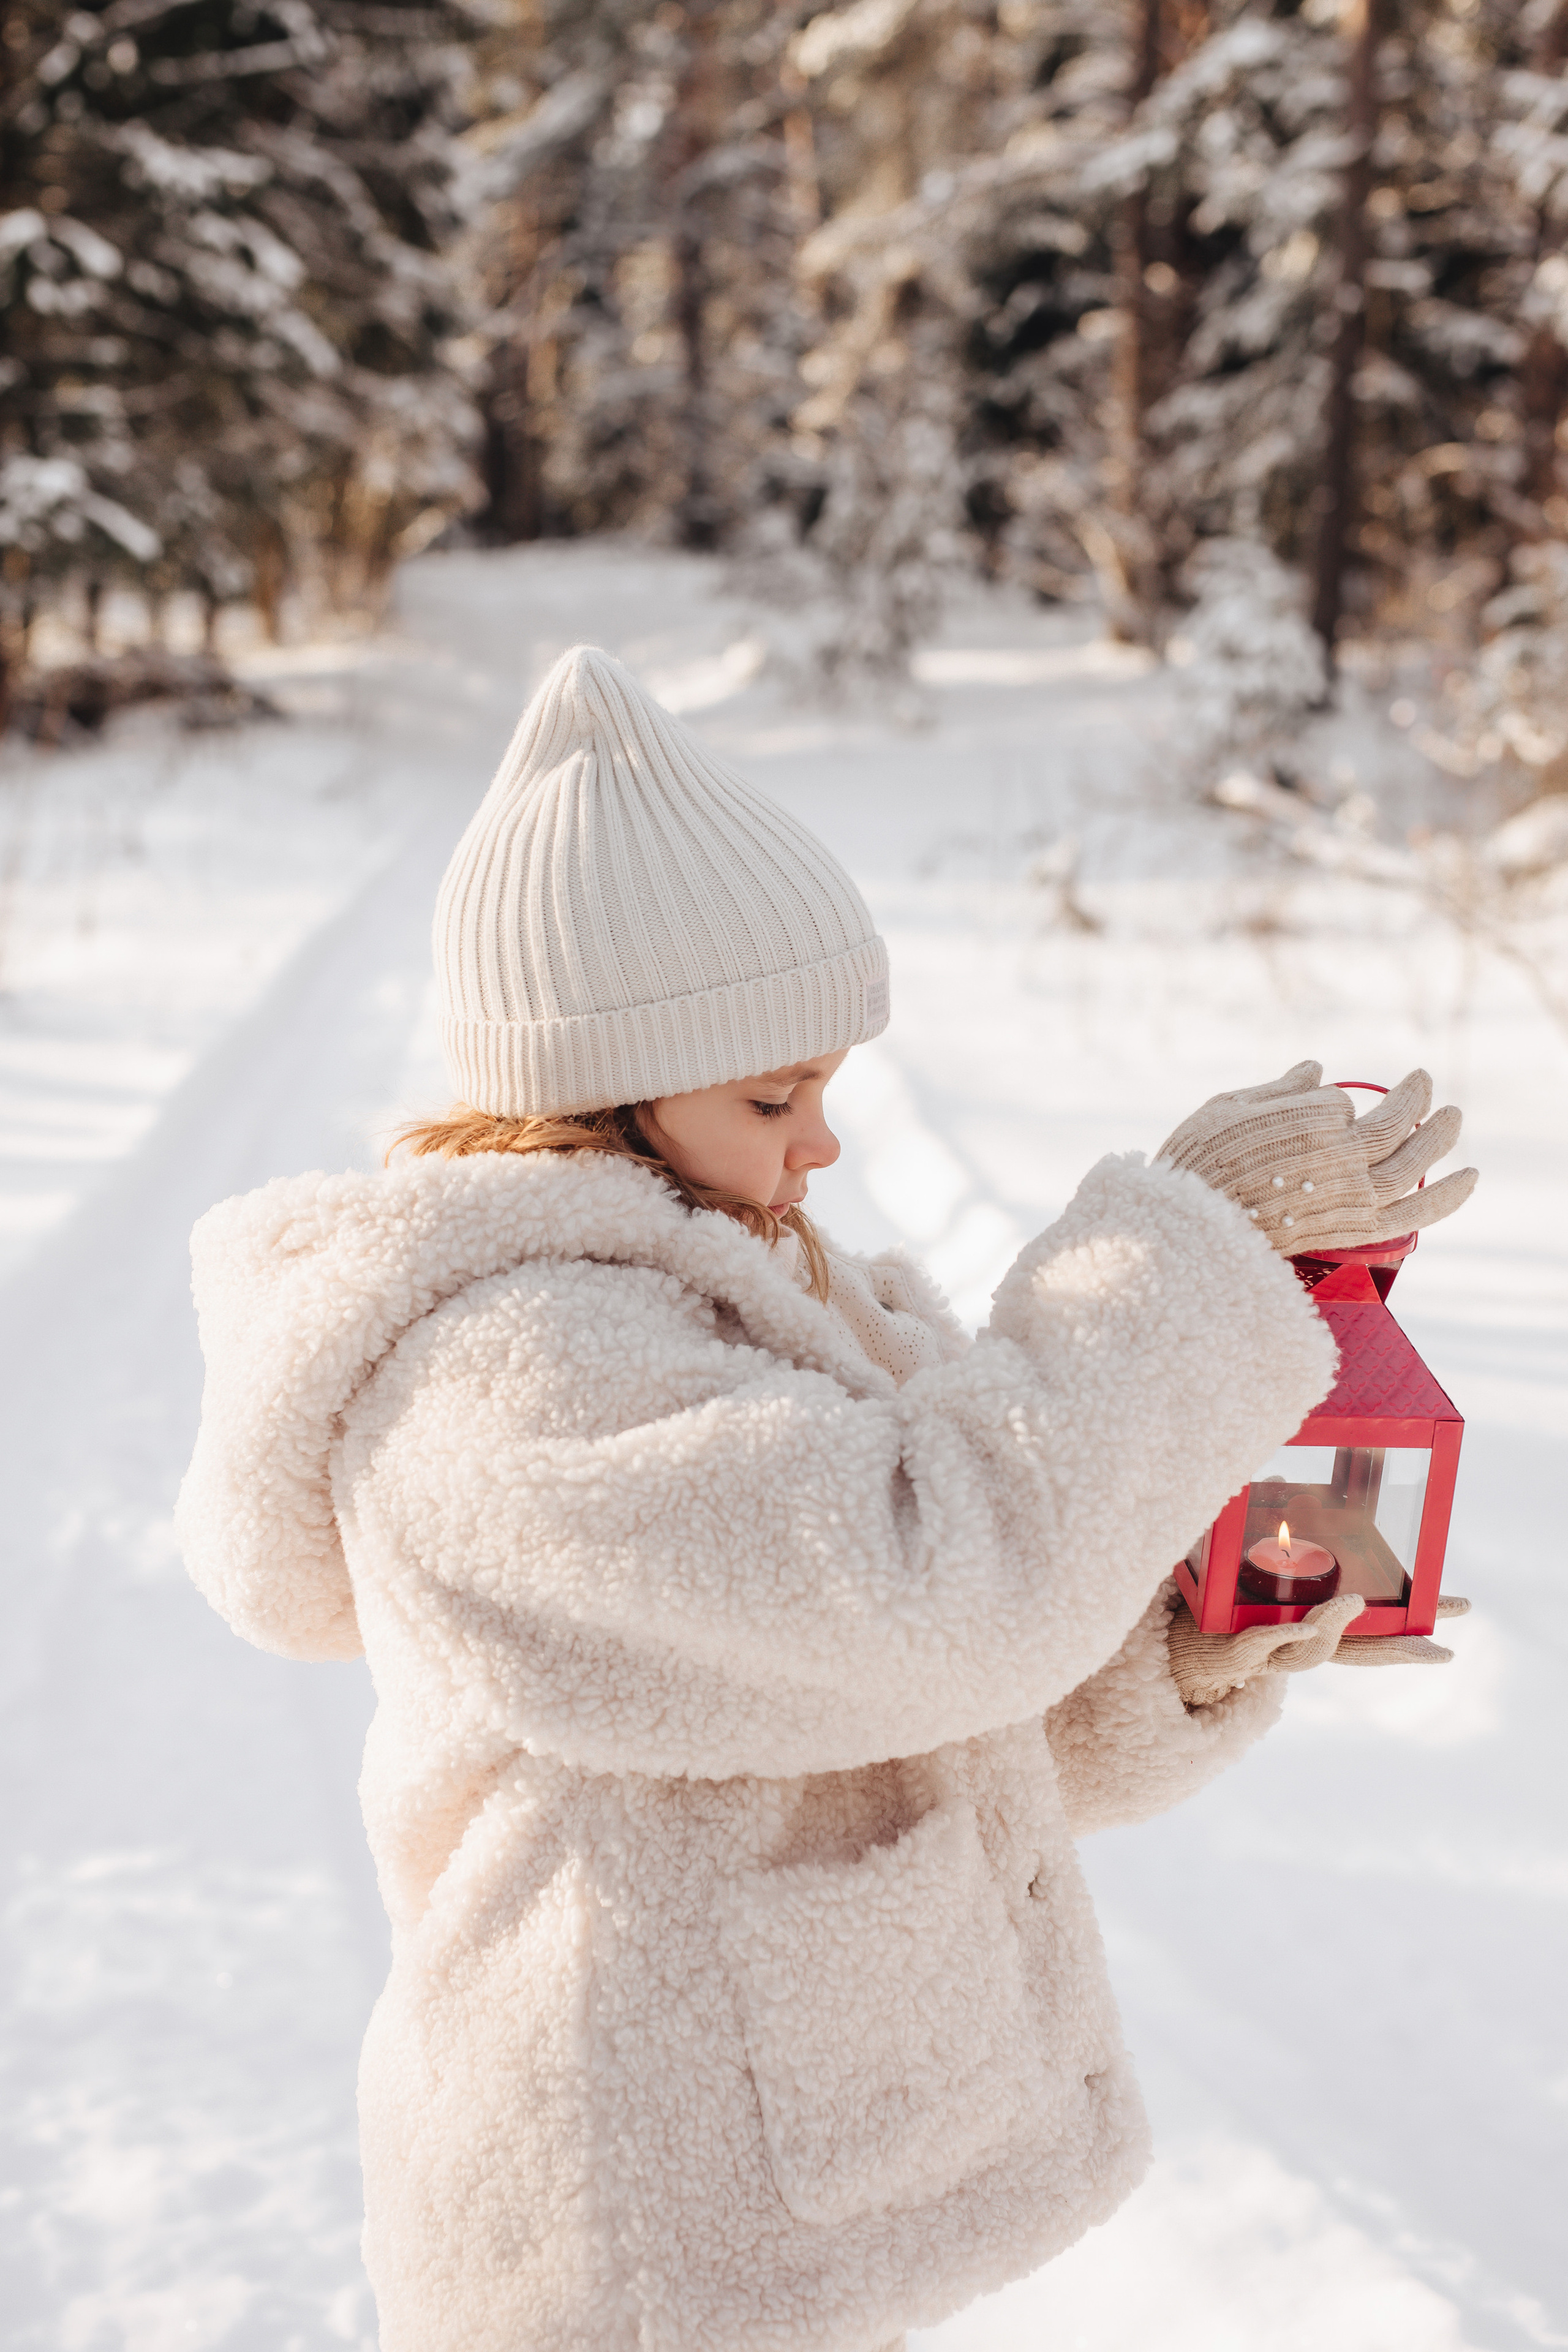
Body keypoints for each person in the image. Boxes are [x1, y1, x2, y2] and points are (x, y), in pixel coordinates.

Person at [177, 646, 1477, 2352]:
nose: (820, 1147)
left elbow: (936, 1696)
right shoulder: (511, 1380)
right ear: (592, 1104)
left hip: (784, 2196)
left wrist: (1178, 1649)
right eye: (769, 1099)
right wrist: (1176, 1252)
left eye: (826, 1088)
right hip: (628, 2238)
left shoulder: (782, 1287)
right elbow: (939, 1593)